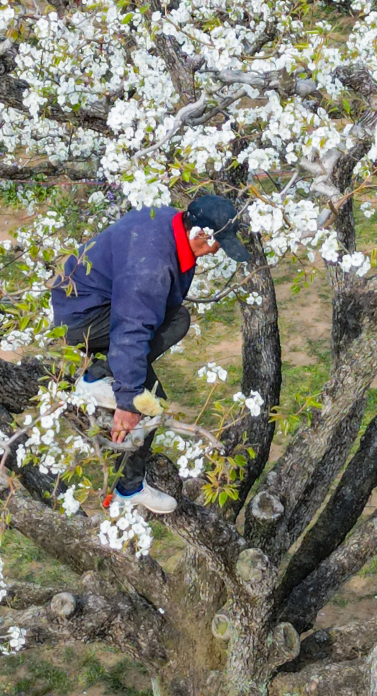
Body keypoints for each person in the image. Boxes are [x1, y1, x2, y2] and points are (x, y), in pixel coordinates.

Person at [51, 195, 250, 514]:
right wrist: (127, 402)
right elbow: (131, 329)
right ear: (200, 234)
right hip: (81, 318)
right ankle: (96, 376)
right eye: (217, 243)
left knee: (153, 400)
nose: (216, 251)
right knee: (144, 397)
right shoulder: (152, 265)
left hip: (97, 304)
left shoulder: (170, 222)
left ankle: (128, 488)